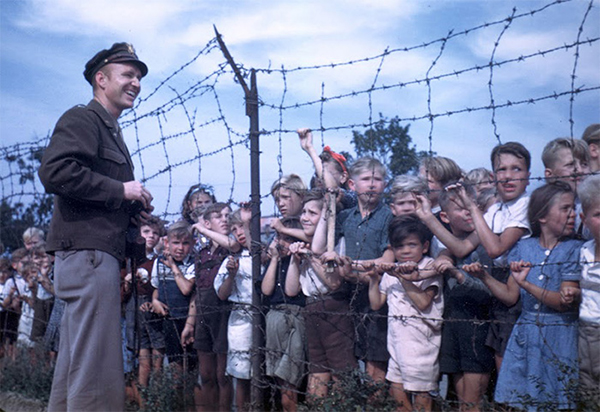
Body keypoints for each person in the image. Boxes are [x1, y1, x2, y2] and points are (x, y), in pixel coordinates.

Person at [38, 42, 152, 411]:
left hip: (92, 254)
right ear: (101, 79)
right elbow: (56, 172)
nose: (136, 82)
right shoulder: (84, 119)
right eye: (128, 74)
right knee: (98, 368)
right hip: (88, 255)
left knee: (77, 364)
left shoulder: (109, 128)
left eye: (138, 77)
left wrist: (131, 207)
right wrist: (121, 189)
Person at [463, 182, 582, 410]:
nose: (573, 214)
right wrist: (483, 277)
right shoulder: (523, 246)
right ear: (542, 216)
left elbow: (561, 303)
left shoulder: (575, 249)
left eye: (573, 208)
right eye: (565, 208)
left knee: (556, 400)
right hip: (526, 334)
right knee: (524, 401)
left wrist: (526, 283)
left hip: (560, 335)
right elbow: (510, 296)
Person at [367, 214, 443, 412]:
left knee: (422, 401)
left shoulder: (428, 267)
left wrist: (403, 279)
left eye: (412, 245)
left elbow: (424, 303)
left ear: (424, 246)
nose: (406, 251)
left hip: (422, 348)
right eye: (400, 247)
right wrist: (375, 280)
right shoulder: (393, 270)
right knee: (398, 397)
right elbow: (376, 304)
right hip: (397, 346)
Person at [285, 191, 356, 399]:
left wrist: (312, 256)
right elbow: (291, 290)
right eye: (303, 212)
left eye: (313, 213)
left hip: (334, 311)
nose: (305, 217)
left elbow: (333, 283)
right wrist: (296, 259)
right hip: (312, 310)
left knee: (342, 374)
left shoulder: (336, 244)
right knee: (317, 374)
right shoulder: (306, 247)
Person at [181, 203, 235, 412]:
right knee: (207, 374)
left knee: (223, 374)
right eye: (218, 216)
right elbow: (197, 292)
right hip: (203, 314)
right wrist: (189, 323)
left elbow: (233, 244)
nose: (224, 220)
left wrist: (201, 229)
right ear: (206, 222)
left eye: (227, 216)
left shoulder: (230, 248)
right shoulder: (201, 254)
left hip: (223, 313)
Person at [261, 216, 307, 411]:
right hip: (274, 317)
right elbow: (266, 289)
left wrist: (294, 259)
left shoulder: (300, 261)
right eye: (278, 237)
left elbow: (291, 290)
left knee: (290, 380)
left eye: (287, 238)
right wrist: (273, 259)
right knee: (281, 381)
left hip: (293, 318)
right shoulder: (277, 262)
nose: (281, 243)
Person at [213, 206, 255, 412]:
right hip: (240, 320)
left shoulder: (261, 253)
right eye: (234, 229)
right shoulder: (231, 260)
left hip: (262, 317)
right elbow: (221, 294)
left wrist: (248, 225)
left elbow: (259, 255)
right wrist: (231, 275)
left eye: (242, 227)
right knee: (241, 375)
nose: (239, 233)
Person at [150, 220, 196, 370]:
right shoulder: (159, 263)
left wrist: (174, 266)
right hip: (169, 319)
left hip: (188, 318)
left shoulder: (193, 263)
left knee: (190, 366)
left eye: (185, 243)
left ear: (193, 243)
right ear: (166, 242)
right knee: (175, 366)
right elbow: (156, 287)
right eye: (176, 243)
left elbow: (186, 289)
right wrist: (154, 300)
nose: (180, 248)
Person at [573, 175, 600, 409]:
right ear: (584, 219)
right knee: (589, 385)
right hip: (587, 331)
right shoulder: (584, 253)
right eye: (599, 215)